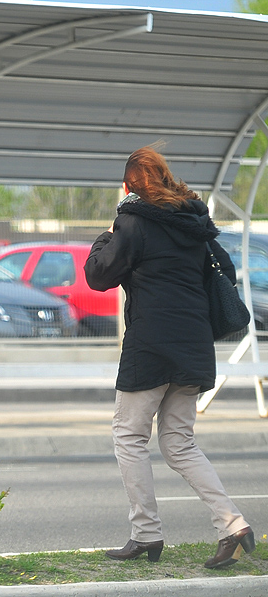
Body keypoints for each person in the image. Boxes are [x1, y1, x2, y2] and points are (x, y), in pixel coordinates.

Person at [85, 145, 254, 569]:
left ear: (129, 186)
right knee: (179, 442)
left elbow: (99, 276)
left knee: (129, 437)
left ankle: (145, 534)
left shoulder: (134, 221)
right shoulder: (195, 221)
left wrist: (105, 236)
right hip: (195, 345)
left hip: (152, 345)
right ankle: (232, 524)